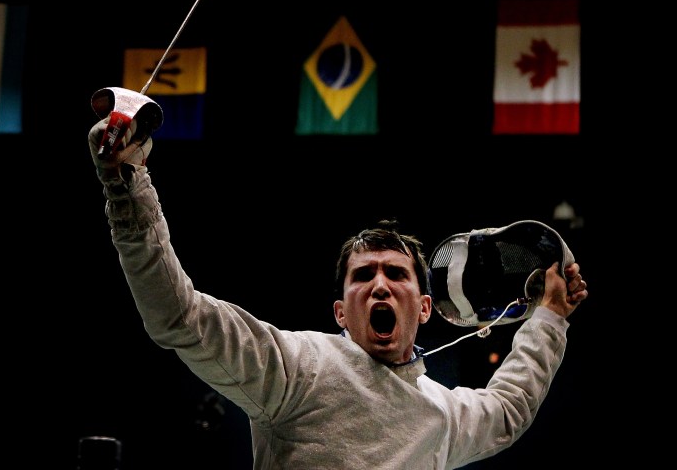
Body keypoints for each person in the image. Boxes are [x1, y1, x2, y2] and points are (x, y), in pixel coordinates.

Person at [88, 117, 588, 470]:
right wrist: (127, 183)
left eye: (396, 274)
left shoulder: (443, 413)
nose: (380, 285)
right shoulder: (297, 366)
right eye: (363, 275)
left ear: (425, 307)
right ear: (341, 313)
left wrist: (550, 317)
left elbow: (508, 409)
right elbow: (179, 316)